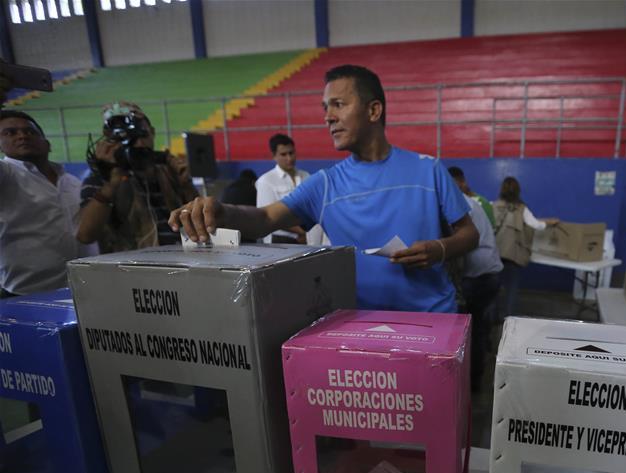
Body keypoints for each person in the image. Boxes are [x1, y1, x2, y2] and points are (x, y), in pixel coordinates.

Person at [170, 65, 478, 313]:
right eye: (325, 107)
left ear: (374, 111)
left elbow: (469, 234)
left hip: (431, 320)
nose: (327, 117)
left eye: (339, 105)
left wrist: (439, 249)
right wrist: (222, 211)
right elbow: (264, 218)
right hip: (358, 324)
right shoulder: (325, 184)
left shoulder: (428, 169)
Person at [77, 102, 197, 254]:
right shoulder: (100, 180)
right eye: (129, 139)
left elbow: (199, 223)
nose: (139, 145)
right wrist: (111, 185)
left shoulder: (169, 171)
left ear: (152, 132)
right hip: (132, 271)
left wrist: (186, 184)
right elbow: (85, 235)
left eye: (143, 135)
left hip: (181, 262)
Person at [0, 110, 96, 297]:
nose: (22, 136)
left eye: (30, 131)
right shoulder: (6, 175)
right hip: (26, 295)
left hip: (86, 291)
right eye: (10, 133)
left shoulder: (72, 181)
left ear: (47, 143)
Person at [452, 175, 503, 389]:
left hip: (478, 276)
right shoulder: (473, 202)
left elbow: (460, 243)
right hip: (491, 272)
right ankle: (477, 377)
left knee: (471, 330)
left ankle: (471, 381)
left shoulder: (460, 205)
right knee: (480, 326)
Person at [492, 176, 558, 317]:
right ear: (518, 191)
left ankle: (493, 318)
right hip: (512, 255)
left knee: (493, 290)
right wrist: (549, 223)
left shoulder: (494, 205)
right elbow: (536, 225)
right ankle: (509, 320)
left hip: (494, 255)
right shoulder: (522, 209)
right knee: (511, 291)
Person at [256, 133, 310, 244]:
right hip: (280, 241)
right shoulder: (265, 181)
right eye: (283, 154)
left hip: (308, 238)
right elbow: (267, 217)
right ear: (274, 156)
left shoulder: (306, 176)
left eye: (291, 153)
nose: (289, 158)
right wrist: (301, 232)